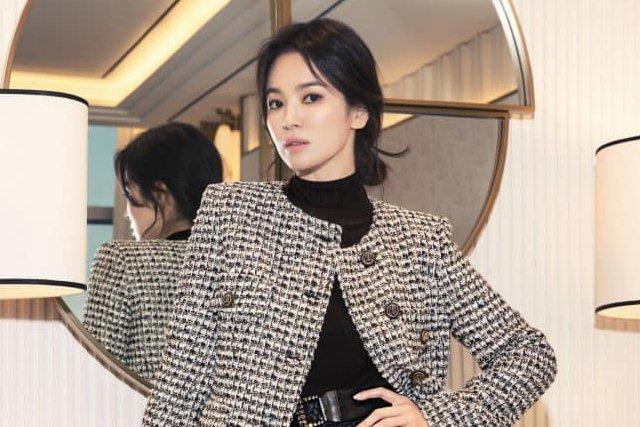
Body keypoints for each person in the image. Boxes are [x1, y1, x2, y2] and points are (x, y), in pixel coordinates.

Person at [142, 19, 557, 426]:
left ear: (358, 112)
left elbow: (529, 354)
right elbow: (181, 380)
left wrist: (434, 416)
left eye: (311, 98)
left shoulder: (419, 241)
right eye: (275, 103)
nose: (288, 119)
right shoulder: (229, 214)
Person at [83, 122, 223, 381]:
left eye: (130, 196)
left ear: (161, 194)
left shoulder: (122, 262)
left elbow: (96, 376)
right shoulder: (239, 268)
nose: (127, 214)